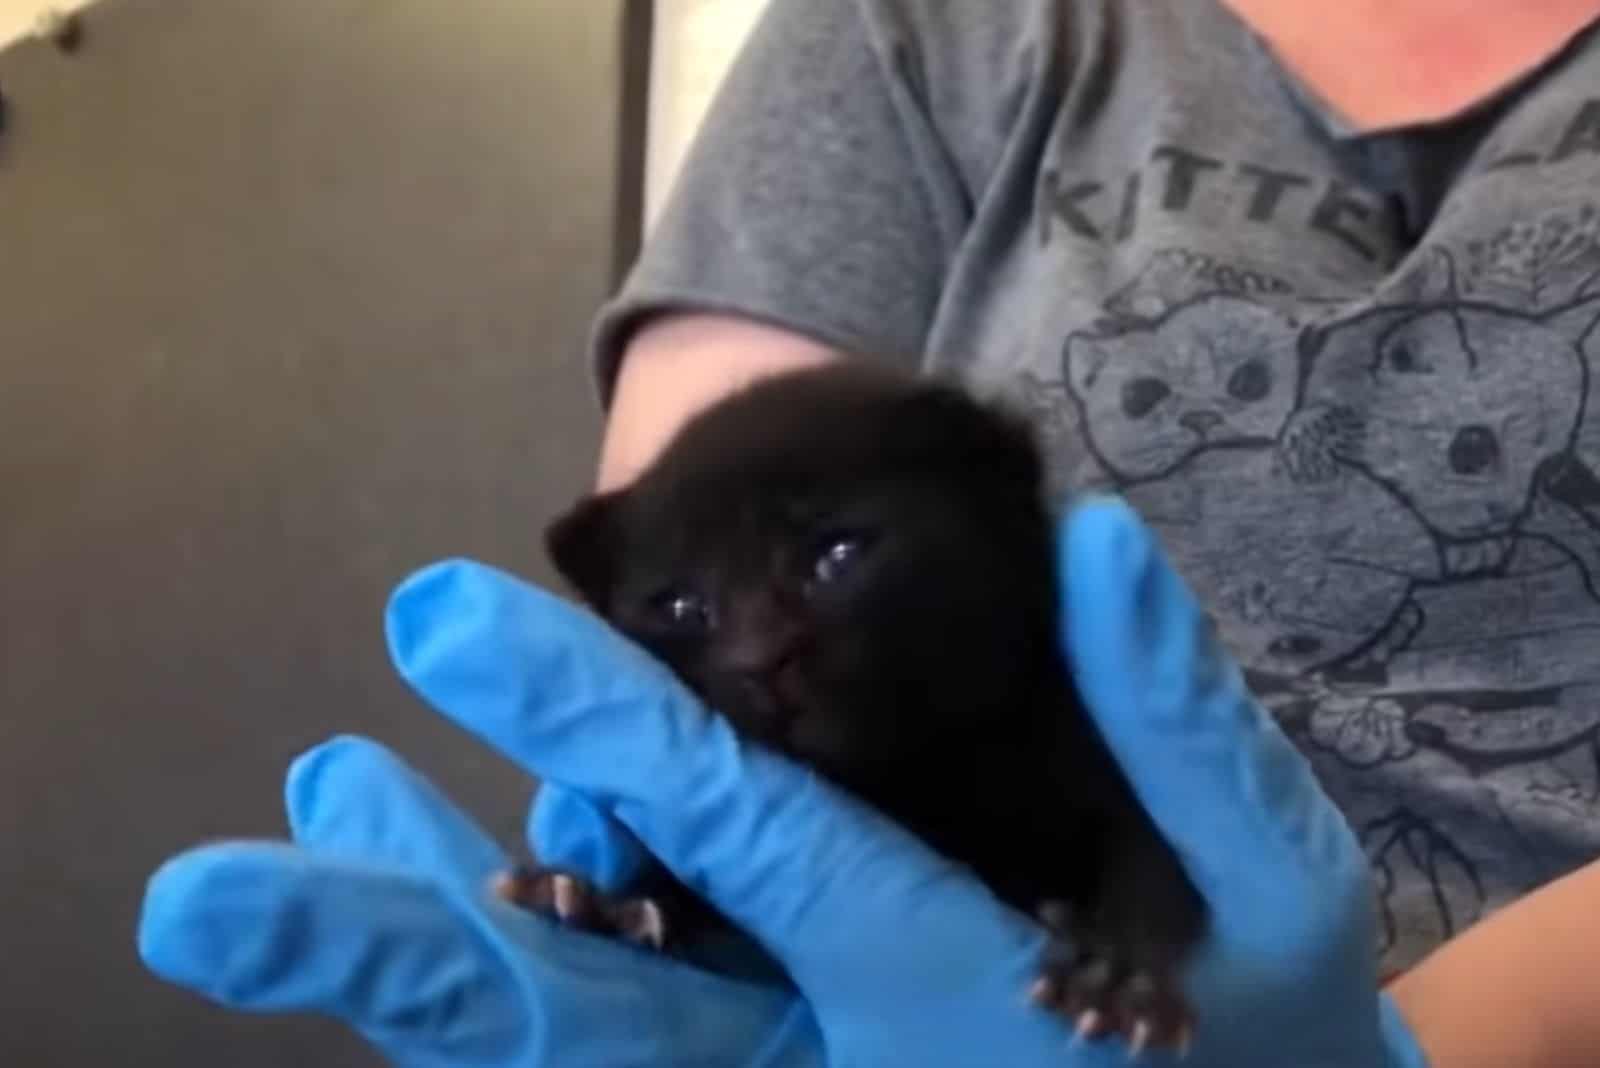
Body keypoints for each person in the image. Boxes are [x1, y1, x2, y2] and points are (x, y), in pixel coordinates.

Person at [138, 1, 1600, 1064]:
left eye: (826, 567)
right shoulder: (931, 23)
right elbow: (680, 552)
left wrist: (1422, 1049)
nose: (767, 636)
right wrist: (658, 897)